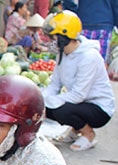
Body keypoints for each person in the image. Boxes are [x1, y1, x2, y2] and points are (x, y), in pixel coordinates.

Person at [43, 11, 115, 151]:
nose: (50, 41)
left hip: (99, 108)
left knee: (60, 110)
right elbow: (54, 84)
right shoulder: (62, 54)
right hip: (81, 104)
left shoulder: (89, 56)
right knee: (47, 107)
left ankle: (88, 134)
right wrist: (41, 101)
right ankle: (76, 131)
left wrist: (50, 103)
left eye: (52, 37)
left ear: (64, 36)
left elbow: (78, 95)